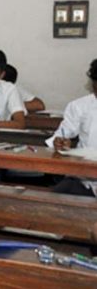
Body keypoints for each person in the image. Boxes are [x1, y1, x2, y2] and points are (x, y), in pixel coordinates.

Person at [49, 59, 97, 197]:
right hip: (83, 179)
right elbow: (63, 133)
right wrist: (59, 141)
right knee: (50, 201)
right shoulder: (79, 106)